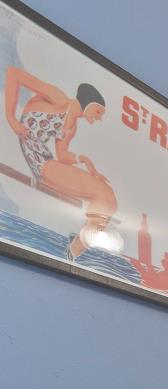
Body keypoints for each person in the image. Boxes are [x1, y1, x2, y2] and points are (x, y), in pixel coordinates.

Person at [4, 66, 117, 259]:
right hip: (39, 161)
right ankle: (73, 253)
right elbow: (14, 73)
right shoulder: (59, 99)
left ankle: (75, 250)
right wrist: (12, 119)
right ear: (88, 103)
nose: (99, 117)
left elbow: (62, 155)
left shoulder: (71, 127)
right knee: (104, 195)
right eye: (98, 111)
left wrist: (84, 160)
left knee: (109, 200)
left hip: (46, 159)